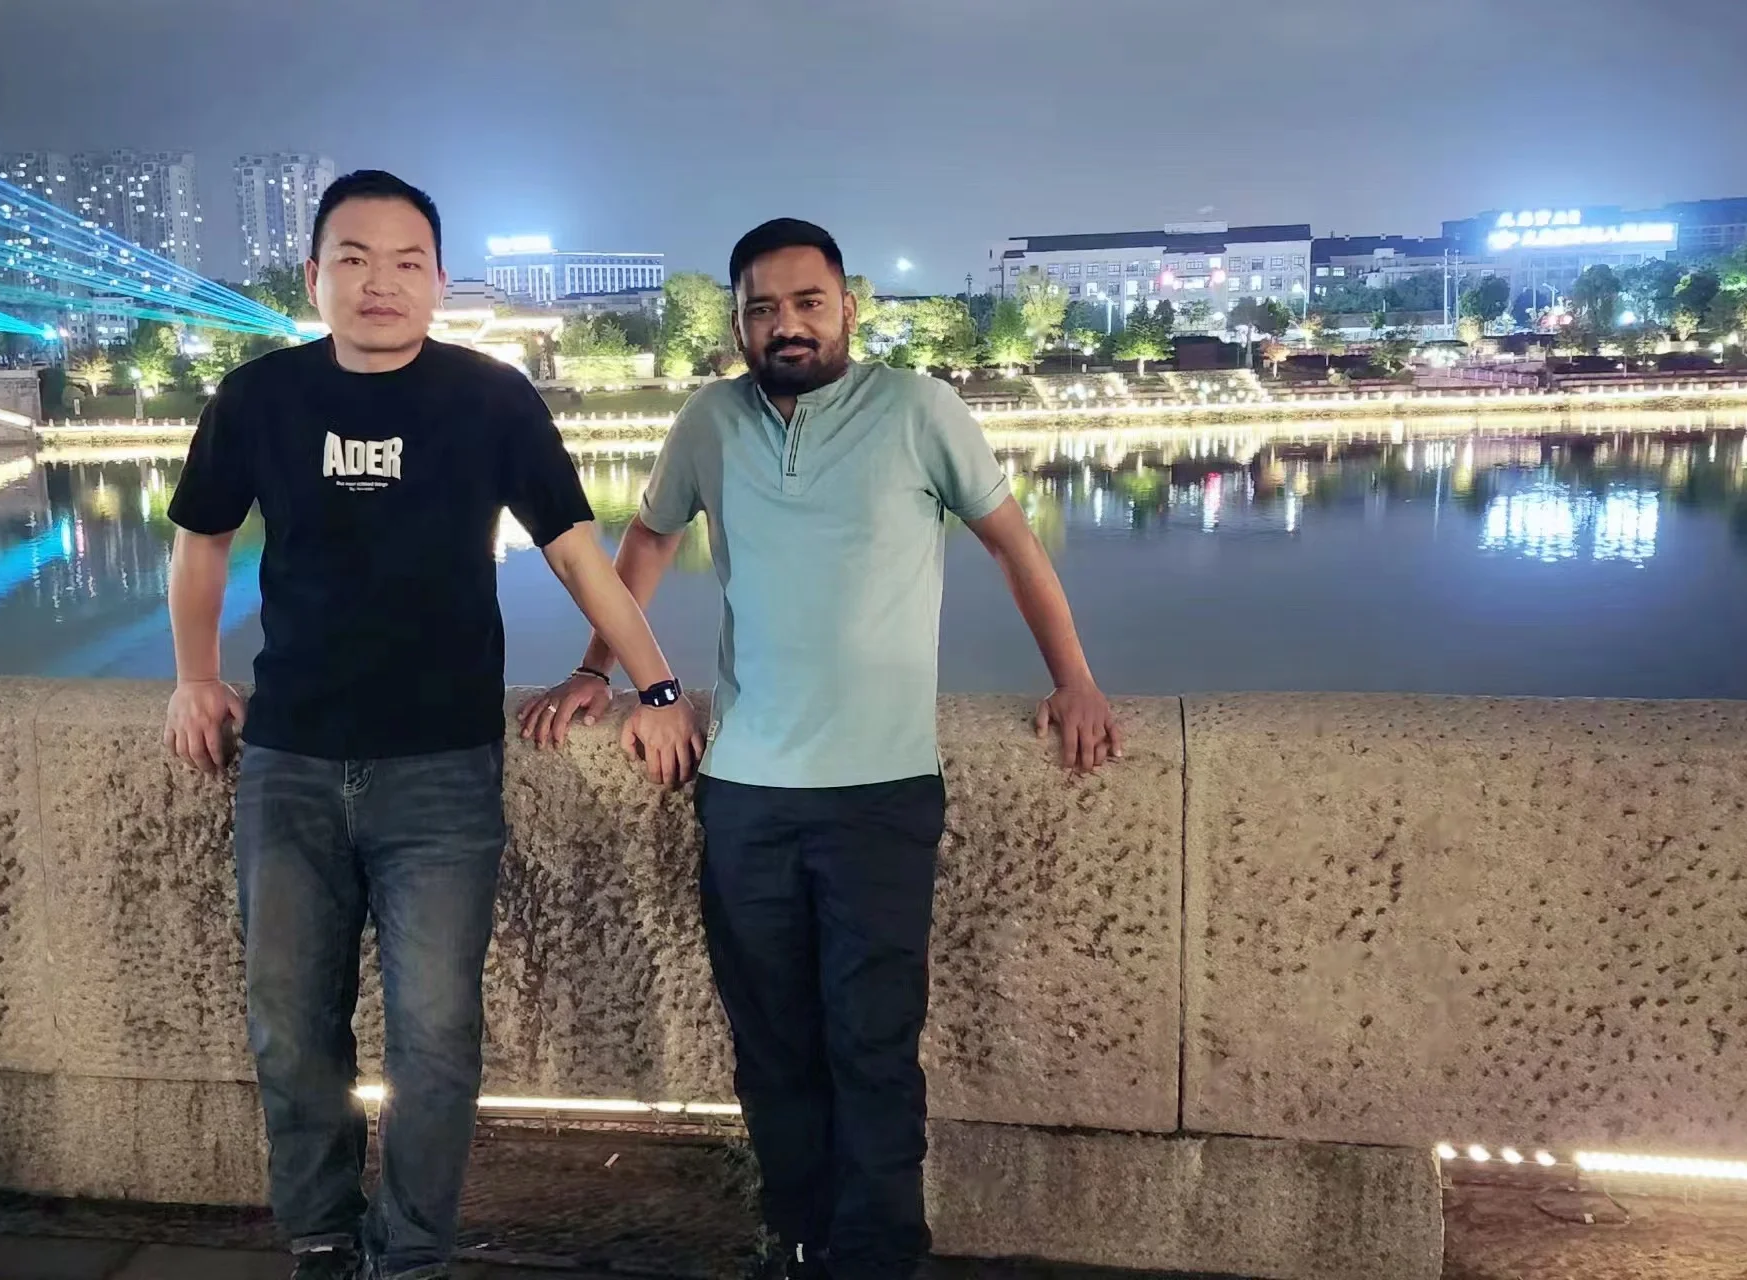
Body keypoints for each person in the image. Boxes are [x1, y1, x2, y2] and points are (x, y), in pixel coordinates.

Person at [517, 218, 1121, 1280]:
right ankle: (795, 1242)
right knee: (773, 1049)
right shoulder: (710, 421)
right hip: (745, 788)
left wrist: (1073, 679)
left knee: (873, 1048)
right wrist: (599, 670)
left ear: (848, 307)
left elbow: (1012, 544)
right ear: (738, 324)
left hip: (882, 791)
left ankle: (880, 1256)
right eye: (762, 308)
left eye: (806, 302)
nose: (785, 324)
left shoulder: (919, 408)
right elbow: (648, 538)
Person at [164, 169, 704, 1280]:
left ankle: (410, 1254)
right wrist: (193, 677)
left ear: (440, 281)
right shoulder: (258, 397)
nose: (381, 282)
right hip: (290, 758)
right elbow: (201, 541)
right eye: (353, 259)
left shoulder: (491, 398)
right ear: (313, 277)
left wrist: (652, 685)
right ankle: (322, 1237)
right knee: (288, 1023)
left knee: (438, 1036)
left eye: (407, 262)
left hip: (443, 769)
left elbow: (575, 555)